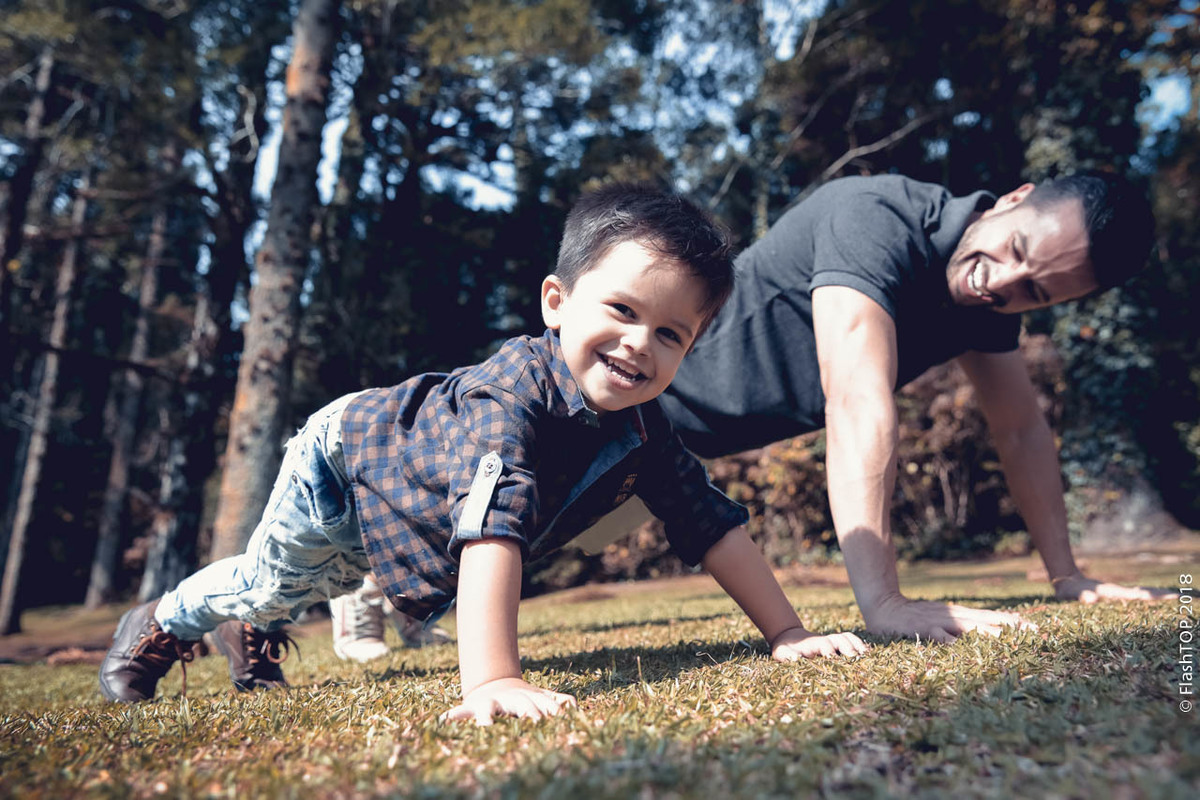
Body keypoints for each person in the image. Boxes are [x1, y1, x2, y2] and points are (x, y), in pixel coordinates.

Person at [98, 183, 867, 720]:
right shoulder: (511, 397)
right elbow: (494, 524)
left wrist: (789, 635)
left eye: (671, 334)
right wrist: (494, 678)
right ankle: (162, 619)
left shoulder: (643, 427)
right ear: (556, 304)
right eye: (623, 311)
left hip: (407, 511)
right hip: (346, 465)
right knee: (270, 580)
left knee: (313, 584)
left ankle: (256, 625)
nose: (641, 343)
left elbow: (709, 521)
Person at [651, 169, 1174, 644]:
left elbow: (1021, 431)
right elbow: (856, 399)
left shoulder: (985, 303)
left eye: (1033, 291)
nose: (997, 283)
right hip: (615, 414)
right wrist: (883, 603)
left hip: (665, 455)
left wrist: (1068, 577)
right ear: (1012, 199)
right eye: (1014, 249)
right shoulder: (876, 217)